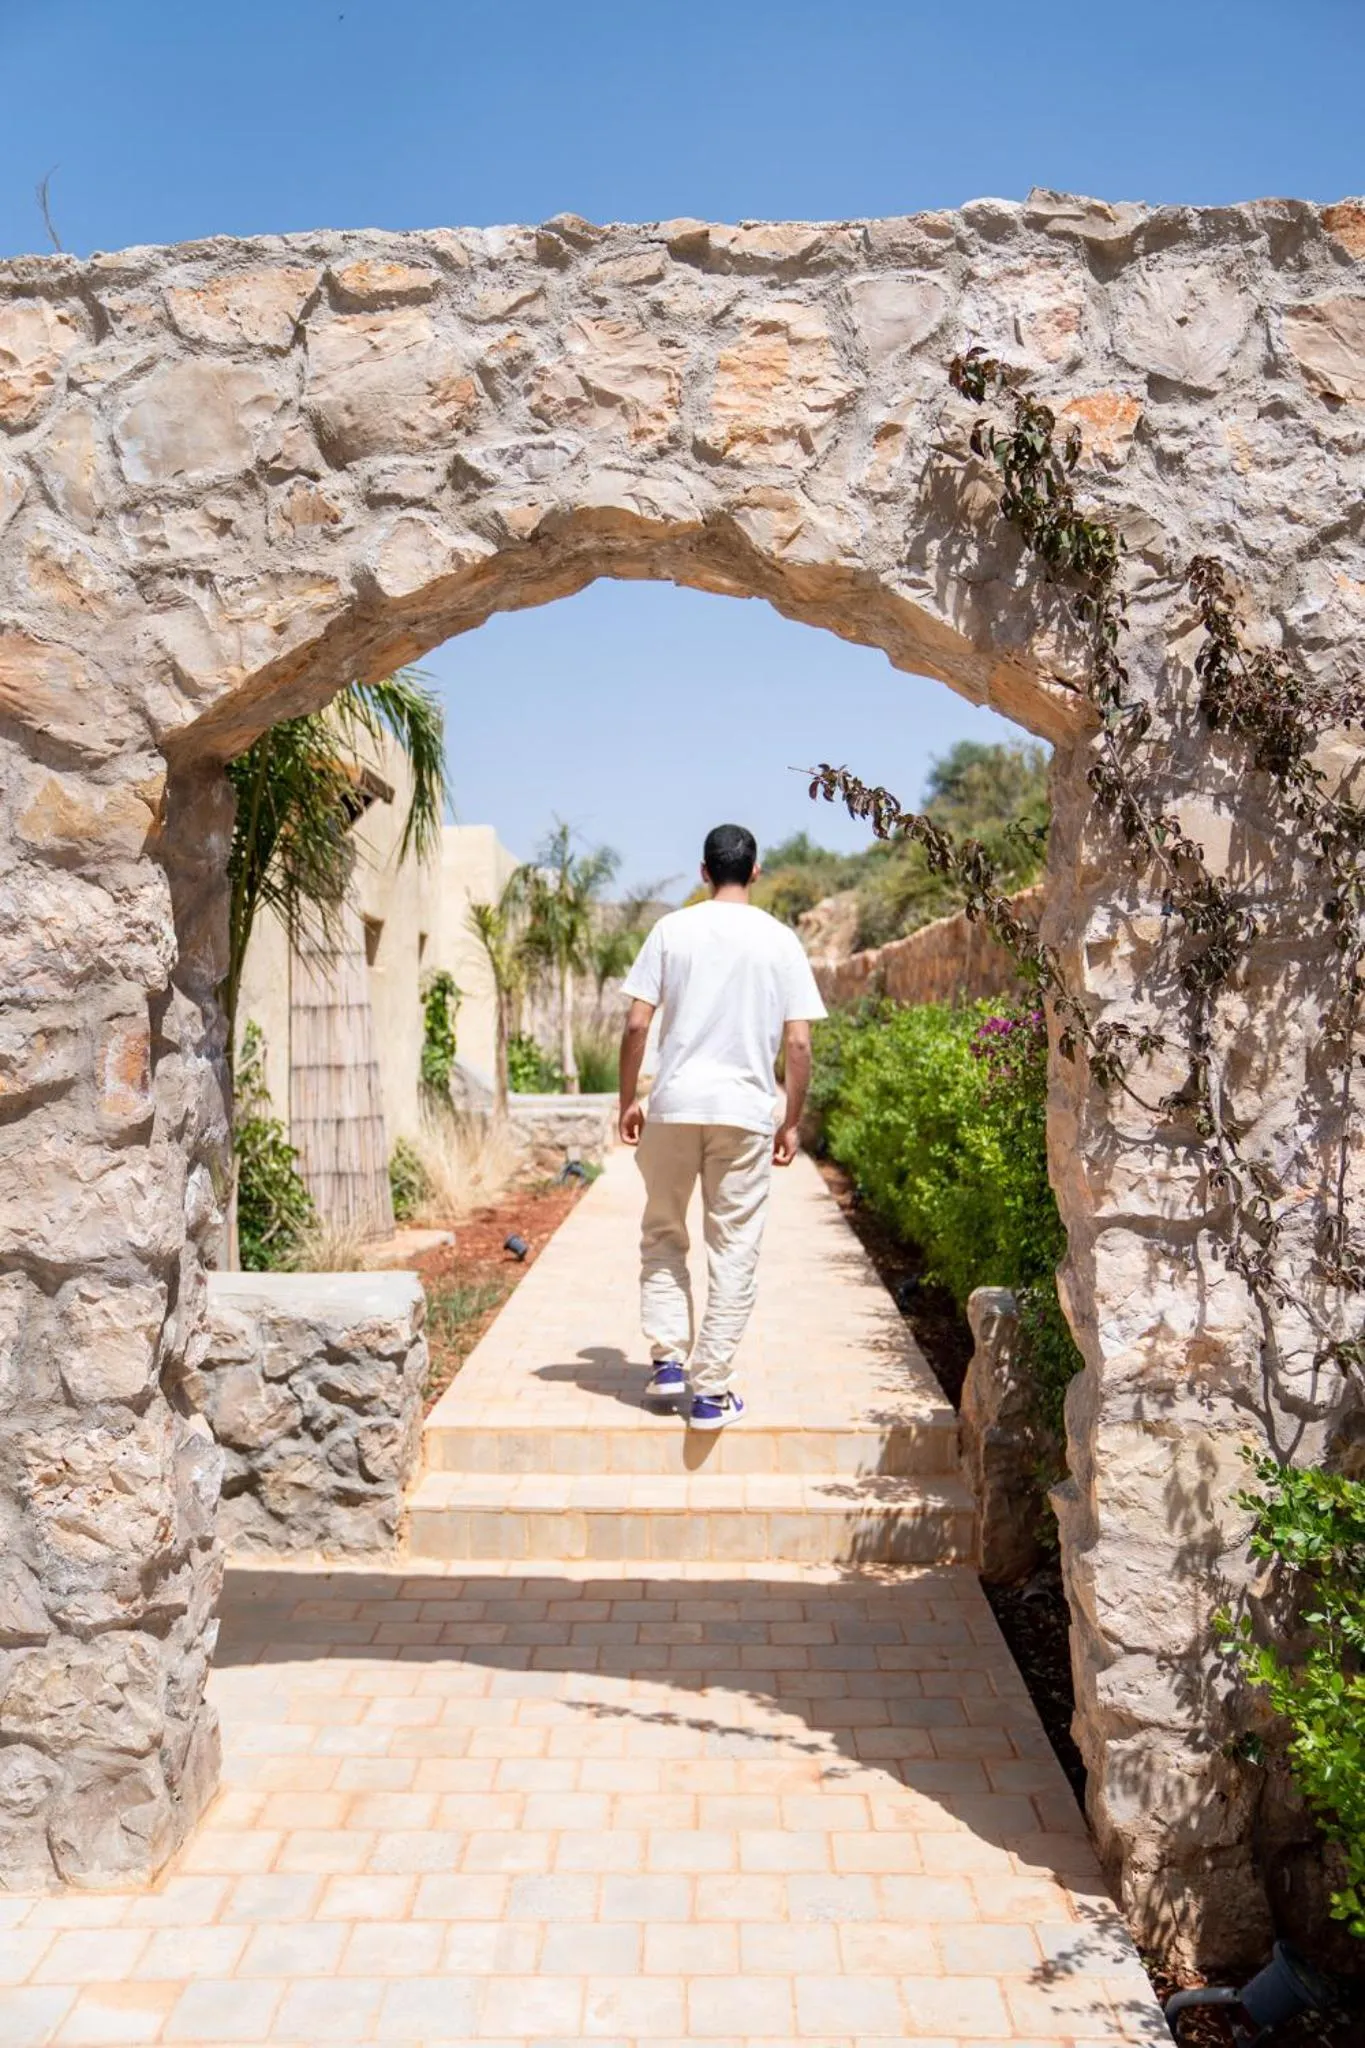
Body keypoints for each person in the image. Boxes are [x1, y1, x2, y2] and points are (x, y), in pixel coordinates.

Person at [616, 823, 827, 1430]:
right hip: (743, 1113)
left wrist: (629, 1100)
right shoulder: (780, 941)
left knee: (662, 1232)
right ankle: (710, 1392)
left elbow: (636, 1026)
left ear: (704, 872)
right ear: (754, 871)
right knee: (732, 1251)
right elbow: (799, 1042)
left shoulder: (670, 930)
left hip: (674, 1106)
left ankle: (667, 1363)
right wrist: (791, 1120)